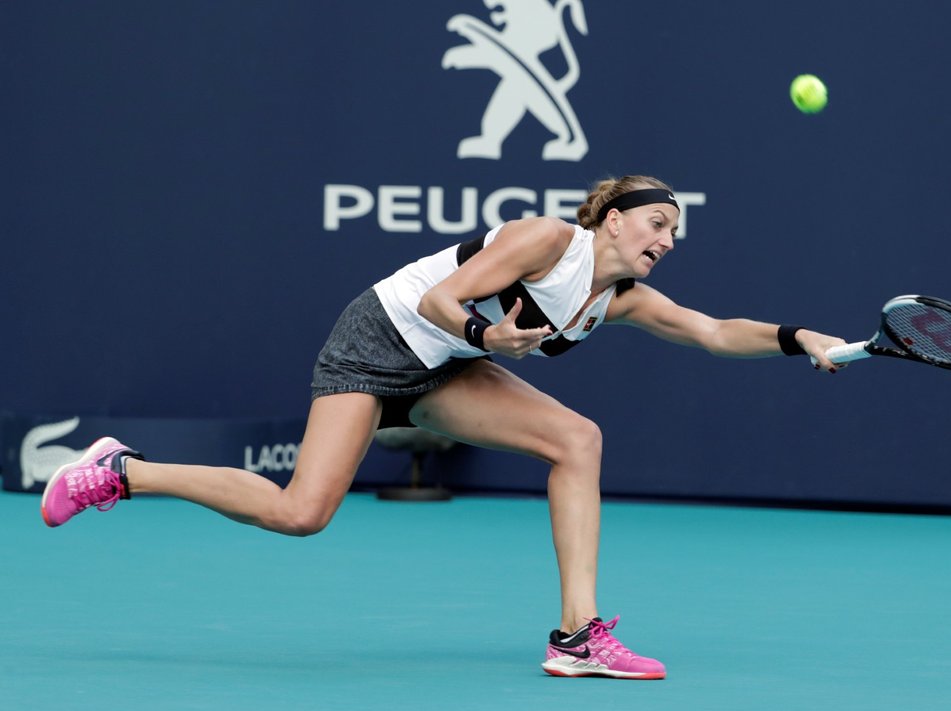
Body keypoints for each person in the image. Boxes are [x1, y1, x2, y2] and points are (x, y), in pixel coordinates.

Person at [41, 175, 845, 680]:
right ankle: (122, 472)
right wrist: (489, 338)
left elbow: (714, 330)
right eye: (657, 225)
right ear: (610, 220)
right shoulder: (545, 239)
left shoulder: (620, 299)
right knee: (301, 513)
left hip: (447, 369)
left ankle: (576, 637)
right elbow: (439, 301)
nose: (667, 242)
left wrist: (798, 338)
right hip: (381, 340)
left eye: (675, 234)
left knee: (578, 438)